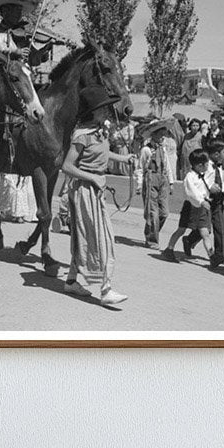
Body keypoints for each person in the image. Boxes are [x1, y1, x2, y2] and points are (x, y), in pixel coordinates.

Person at [60, 87, 134, 306]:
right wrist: (93, 178)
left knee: (85, 238)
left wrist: (122, 159)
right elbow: (67, 166)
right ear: (93, 111)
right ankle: (106, 290)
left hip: (95, 188)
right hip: (84, 190)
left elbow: (101, 154)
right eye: (104, 109)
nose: (108, 112)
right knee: (102, 239)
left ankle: (71, 281)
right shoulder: (82, 135)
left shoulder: (99, 131)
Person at [162, 149, 215, 263]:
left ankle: (212, 256)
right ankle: (169, 248)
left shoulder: (204, 173)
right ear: (200, 165)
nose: (208, 166)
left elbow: (211, 169)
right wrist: (201, 201)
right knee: (181, 230)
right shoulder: (189, 177)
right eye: (206, 164)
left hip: (202, 207)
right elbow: (191, 192)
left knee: (205, 232)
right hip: (191, 206)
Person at [140, 126, 171, 248]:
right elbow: (140, 167)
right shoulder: (146, 150)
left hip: (163, 180)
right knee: (153, 211)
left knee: (164, 213)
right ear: (153, 135)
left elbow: (167, 166)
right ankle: (152, 239)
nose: (163, 137)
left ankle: (151, 230)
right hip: (150, 178)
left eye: (164, 134)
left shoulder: (163, 149)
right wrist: (139, 185)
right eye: (160, 134)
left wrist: (171, 182)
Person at [205, 139, 224, 269]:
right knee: (203, 228)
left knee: (219, 226)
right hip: (206, 200)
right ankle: (189, 240)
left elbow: (223, 180)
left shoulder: (219, 164)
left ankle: (220, 255)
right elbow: (198, 179)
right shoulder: (205, 164)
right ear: (216, 154)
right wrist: (210, 186)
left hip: (218, 199)